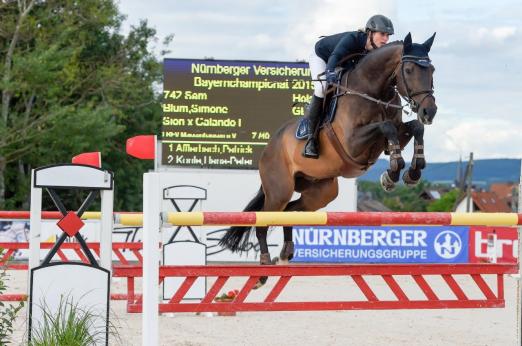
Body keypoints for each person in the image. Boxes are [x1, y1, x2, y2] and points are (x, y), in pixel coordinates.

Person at [302, 14, 394, 158]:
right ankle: (310, 139)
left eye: (388, 36)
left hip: (342, 63)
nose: (386, 39)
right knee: (322, 87)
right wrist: (330, 71)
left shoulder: (374, 50)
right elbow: (335, 56)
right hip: (322, 57)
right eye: (382, 34)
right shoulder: (353, 39)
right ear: (370, 33)